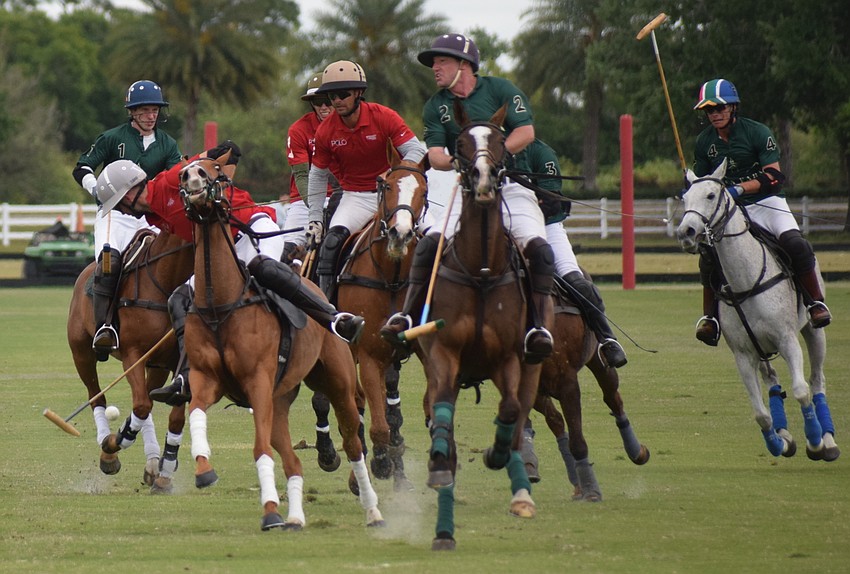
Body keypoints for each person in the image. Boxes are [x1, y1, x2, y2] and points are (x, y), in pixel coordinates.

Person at [92, 142, 365, 407]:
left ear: (128, 196)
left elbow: (207, 161)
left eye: (118, 205)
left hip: (251, 230)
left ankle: (335, 320)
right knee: (179, 299)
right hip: (224, 249)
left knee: (264, 270)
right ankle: (185, 376)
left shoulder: (168, 181)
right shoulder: (154, 215)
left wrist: (208, 169)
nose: (121, 211)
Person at [380, 33, 554, 364]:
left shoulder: (501, 90)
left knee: (539, 248)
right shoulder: (436, 105)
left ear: (464, 65)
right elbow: (434, 155)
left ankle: (538, 327)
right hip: (466, 189)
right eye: (433, 63)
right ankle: (406, 316)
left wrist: (489, 161)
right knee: (432, 242)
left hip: (511, 188)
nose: (435, 68)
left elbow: (525, 133)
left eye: (442, 61)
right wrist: (465, 164)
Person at [691, 78, 831, 346]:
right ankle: (710, 319)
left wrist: (739, 189)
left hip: (768, 203)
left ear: (733, 108)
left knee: (795, 243)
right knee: (708, 255)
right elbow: (701, 181)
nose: (715, 114)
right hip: (731, 212)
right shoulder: (704, 141)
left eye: (720, 108)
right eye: (709, 110)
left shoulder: (757, 132)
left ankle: (815, 304)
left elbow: (775, 175)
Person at [73, 80, 181, 359]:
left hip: (148, 218)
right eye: (144, 110)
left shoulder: (168, 144)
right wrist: (94, 187)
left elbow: (173, 179)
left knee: (171, 261)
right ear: (132, 112)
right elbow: (83, 166)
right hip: (114, 216)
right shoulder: (112, 137)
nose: (151, 116)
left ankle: (179, 326)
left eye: (155, 110)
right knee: (109, 261)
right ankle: (104, 327)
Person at [304, 59, 427, 299]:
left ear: (358, 93)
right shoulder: (326, 131)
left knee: (435, 236)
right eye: (331, 96)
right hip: (356, 198)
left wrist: (393, 173)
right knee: (330, 244)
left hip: (395, 195)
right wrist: (315, 219)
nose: (336, 101)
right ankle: (328, 311)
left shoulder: (384, 117)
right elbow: (318, 176)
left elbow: (416, 152)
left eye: (342, 94)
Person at [526, 138, 626, 368]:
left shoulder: (541, 153)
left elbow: (552, 204)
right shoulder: (488, 152)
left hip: (547, 226)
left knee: (574, 280)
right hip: (506, 228)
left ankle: (607, 339)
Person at [280, 71, 342, 263]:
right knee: (286, 253)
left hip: (344, 196)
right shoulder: (299, 129)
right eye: (317, 101)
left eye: (327, 100)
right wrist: (317, 209)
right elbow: (301, 176)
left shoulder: (350, 124)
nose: (323, 106)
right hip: (305, 200)